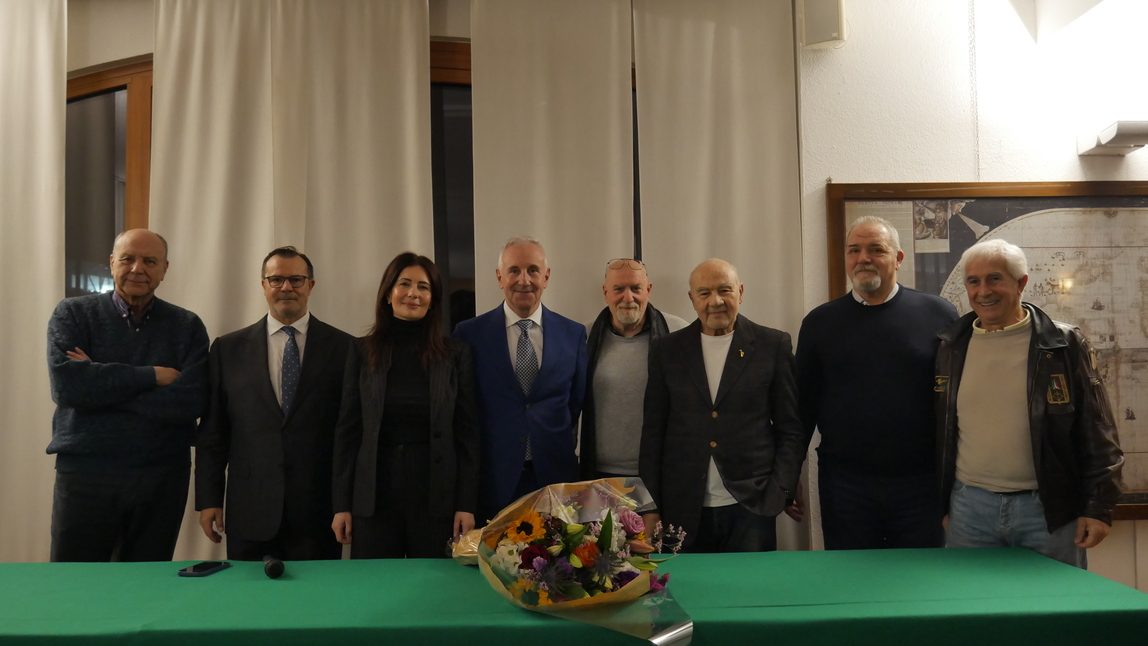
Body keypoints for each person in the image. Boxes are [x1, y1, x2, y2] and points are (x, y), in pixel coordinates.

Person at [935, 239, 1124, 567]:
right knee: (973, 599)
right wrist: (944, 505)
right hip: (970, 509)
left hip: (1049, 511)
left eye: (995, 279)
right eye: (974, 281)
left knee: (1054, 600)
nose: (983, 291)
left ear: (1021, 283)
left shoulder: (1063, 344)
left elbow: (1098, 429)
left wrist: (1099, 509)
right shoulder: (950, 346)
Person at [796, 216, 958, 549]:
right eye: (854, 250)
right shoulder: (819, 323)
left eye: (876, 249)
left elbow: (956, 402)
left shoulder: (939, 315)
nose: (863, 258)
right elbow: (802, 409)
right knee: (851, 575)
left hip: (920, 484)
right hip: (845, 485)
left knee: (919, 575)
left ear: (898, 258)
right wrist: (788, 479)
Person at [47, 229, 208, 562]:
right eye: (128, 259)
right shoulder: (72, 314)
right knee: (73, 580)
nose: (138, 269)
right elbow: (69, 387)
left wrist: (99, 380)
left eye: (149, 261)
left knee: (146, 583)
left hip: (161, 475)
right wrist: (151, 376)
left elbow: (189, 402)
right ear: (111, 263)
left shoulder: (187, 326)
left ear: (165, 269)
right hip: (85, 474)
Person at [195, 246, 352, 561]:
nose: (286, 287)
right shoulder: (227, 349)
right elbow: (214, 431)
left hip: (318, 512)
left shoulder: (346, 349)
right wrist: (209, 499)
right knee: (247, 592)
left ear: (311, 285)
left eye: (296, 279)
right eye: (276, 279)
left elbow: (349, 435)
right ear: (263, 285)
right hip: (250, 509)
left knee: (317, 592)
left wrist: (345, 504)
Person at [639, 258, 807, 552]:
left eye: (724, 290)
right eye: (704, 293)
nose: (715, 301)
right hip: (682, 507)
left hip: (751, 507)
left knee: (751, 583)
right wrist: (650, 507)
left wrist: (781, 489)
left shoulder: (772, 345)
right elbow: (653, 433)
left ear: (740, 292)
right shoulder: (667, 350)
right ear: (692, 299)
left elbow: (790, 429)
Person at [331, 253, 479, 558]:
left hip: (436, 498)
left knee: (432, 583)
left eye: (423, 287)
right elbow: (348, 431)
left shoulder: (455, 354)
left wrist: (466, 505)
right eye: (405, 284)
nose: (413, 293)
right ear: (388, 293)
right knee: (375, 582)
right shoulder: (361, 352)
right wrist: (341, 505)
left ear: (433, 299)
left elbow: (467, 435)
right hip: (373, 499)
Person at [453, 237, 587, 522]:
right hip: (493, 480)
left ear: (546, 277)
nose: (523, 280)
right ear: (499, 277)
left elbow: (575, 403)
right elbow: (464, 412)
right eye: (514, 270)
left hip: (554, 479)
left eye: (533, 270)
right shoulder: (469, 335)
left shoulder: (573, 334)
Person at [581, 258, 688, 480]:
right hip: (598, 475)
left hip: (662, 473)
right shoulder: (583, 337)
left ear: (649, 290)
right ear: (605, 292)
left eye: (636, 288)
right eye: (618, 289)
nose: (628, 298)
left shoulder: (678, 333)